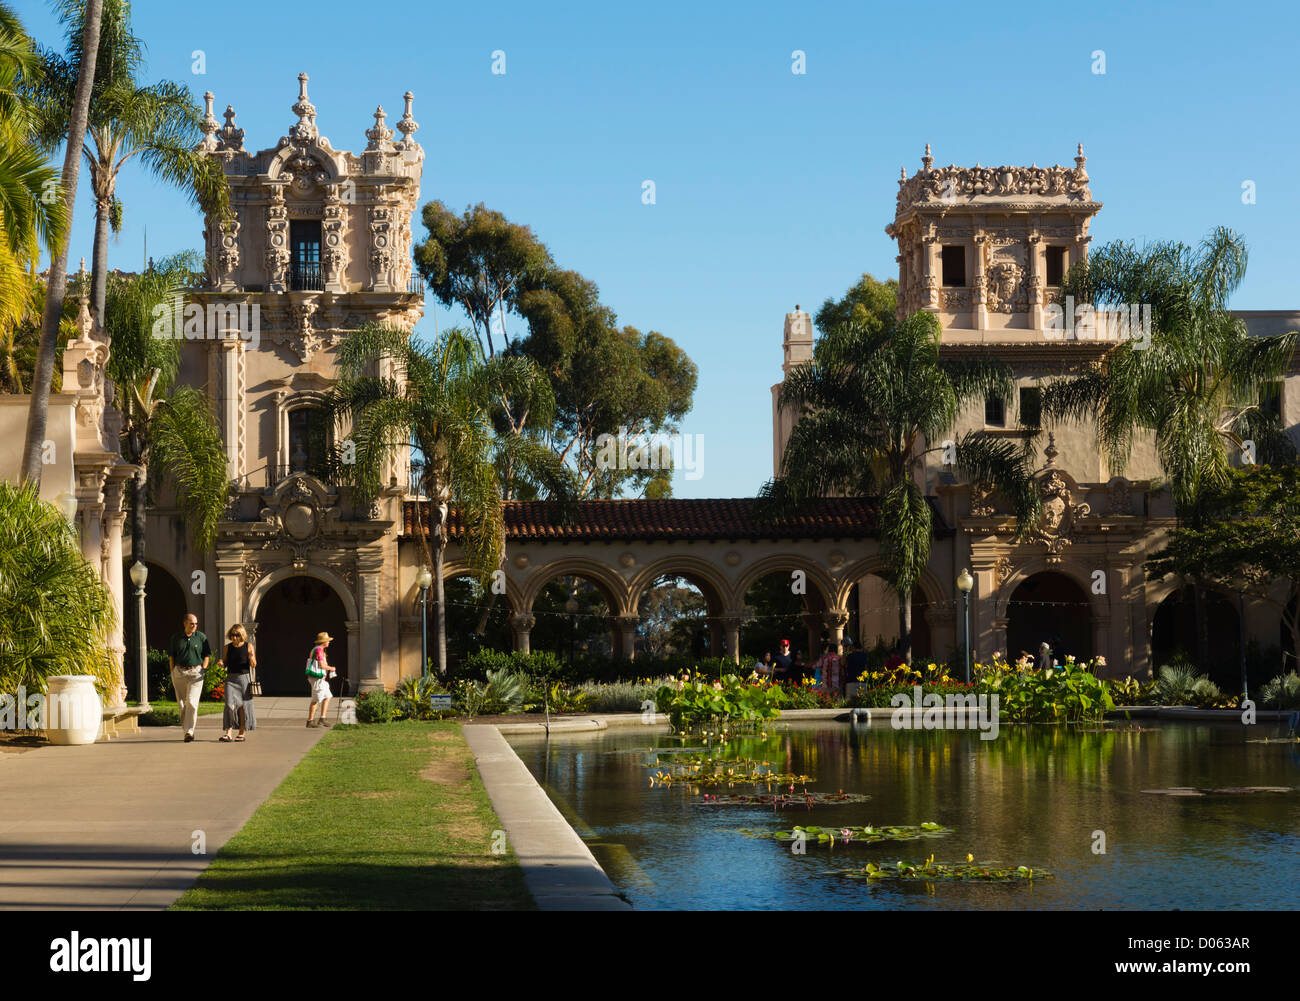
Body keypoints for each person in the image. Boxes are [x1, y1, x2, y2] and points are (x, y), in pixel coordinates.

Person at [167, 613, 211, 742]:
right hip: (179, 672)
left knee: (192, 702)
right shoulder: (176, 638)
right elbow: (171, 657)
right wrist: (172, 672)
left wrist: (203, 669)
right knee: (182, 704)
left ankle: (190, 732)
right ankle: (186, 730)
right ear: (185, 623)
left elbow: (207, 655)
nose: (194, 626)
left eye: (196, 624)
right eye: (192, 623)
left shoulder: (201, 637)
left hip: (196, 673)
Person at [218, 624, 257, 742]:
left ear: (242, 635)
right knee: (229, 705)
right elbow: (224, 662)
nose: (234, 637)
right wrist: (221, 663)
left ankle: (241, 732)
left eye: (237, 635)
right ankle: (228, 732)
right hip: (230, 679)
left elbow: (254, 664)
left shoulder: (248, 646)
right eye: (232, 635)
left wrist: (251, 658)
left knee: (243, 706)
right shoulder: (227, 648)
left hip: (244, 679)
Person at [306, 631, 334, 728]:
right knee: (316, 700)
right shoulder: (319, 650)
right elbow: (322, 665)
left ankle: (322, 718)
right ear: (324, 641)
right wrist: (331, 668)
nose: (329, 642)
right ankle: (310, 721)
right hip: (317, 679)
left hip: (321, 679)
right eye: (328, 641)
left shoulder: (318, 649)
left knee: (328, 696)